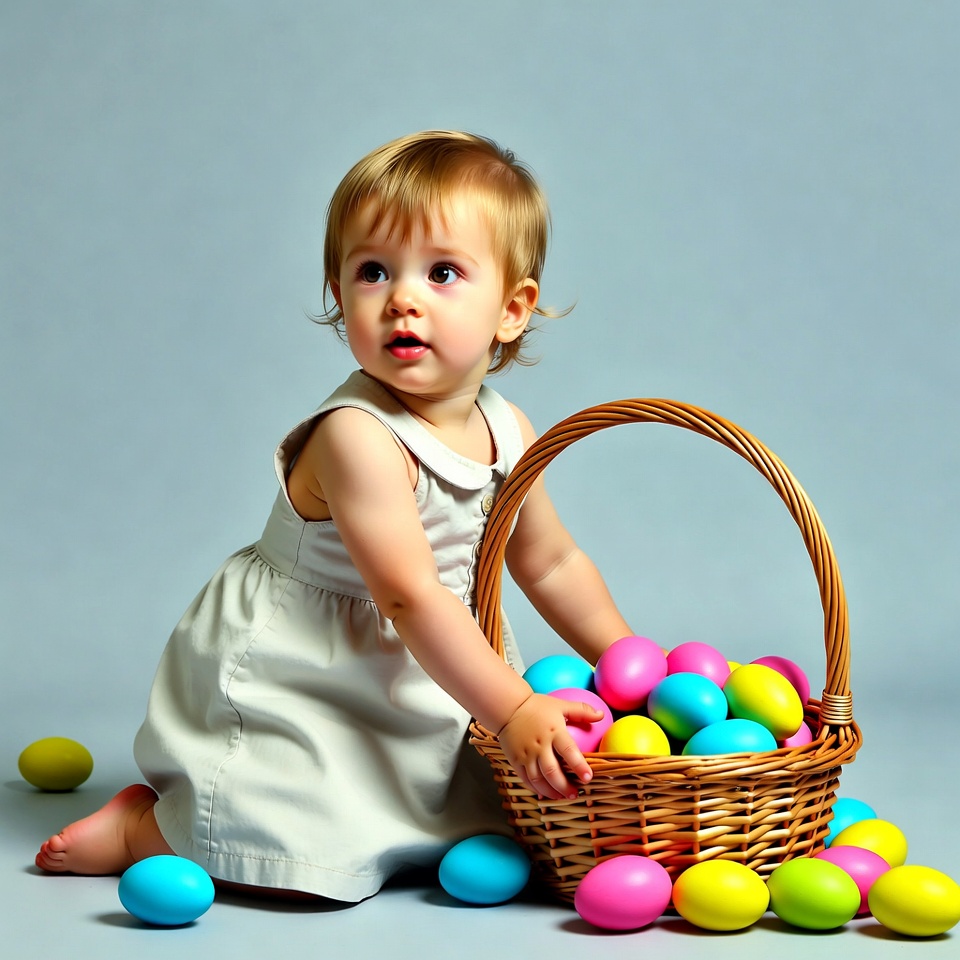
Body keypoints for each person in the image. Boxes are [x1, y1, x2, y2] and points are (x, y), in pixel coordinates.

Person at [35, 130, 633, 903]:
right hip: (315, 666)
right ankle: (145, 829)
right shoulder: (357, 434)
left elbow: (549, 561)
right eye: (371, 271)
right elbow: (408, 596)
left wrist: (631, 666)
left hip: (426, 663)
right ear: (339, 292)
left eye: (443, 273)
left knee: (474, 820)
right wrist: (515, 705)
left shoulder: (508, 425)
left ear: (512, 310)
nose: (402, 298)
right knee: (287, 841)